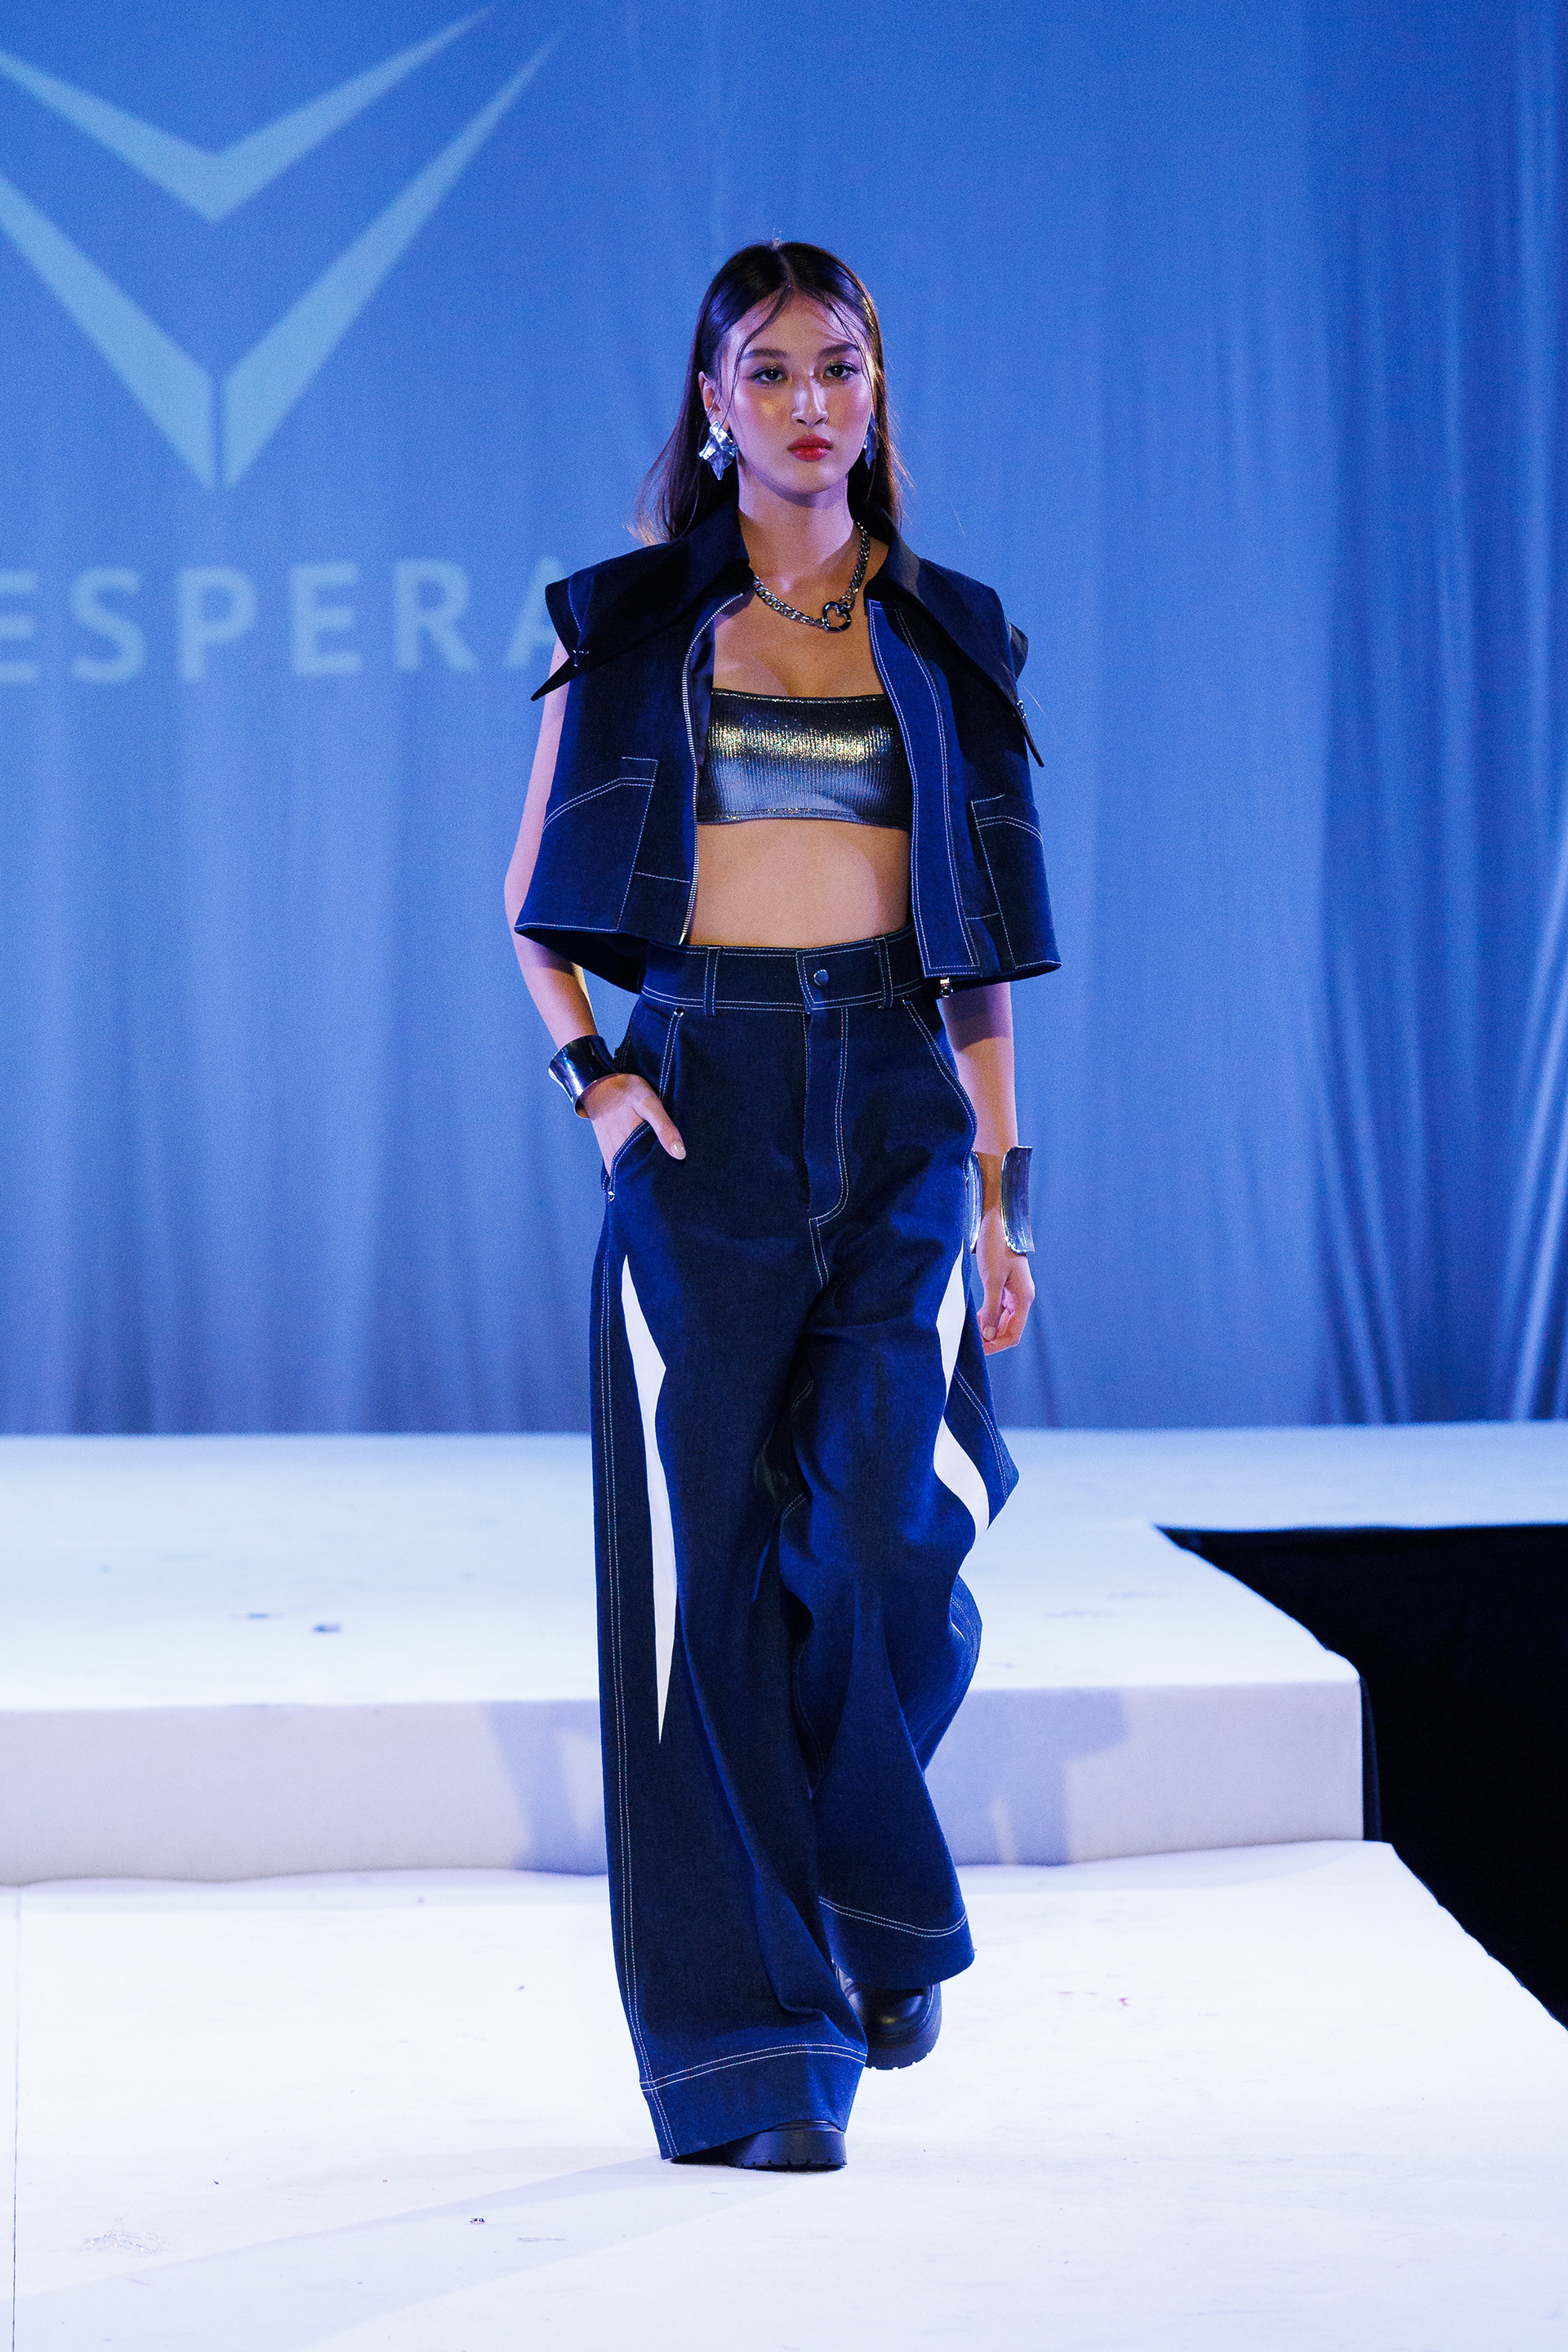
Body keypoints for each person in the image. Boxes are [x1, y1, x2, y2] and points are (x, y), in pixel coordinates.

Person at [503, 240, 1057, 2172]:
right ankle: (759, 2057)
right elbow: (533, 908)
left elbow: (980, 964)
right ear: (713, 403)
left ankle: (862, 1890)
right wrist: (599, 1080)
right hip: (704, 1113)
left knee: (889, 1539)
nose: (812, 401)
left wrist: (1001, 1199)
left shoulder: (951, 637)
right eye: (770, 368)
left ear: (876, 394)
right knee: (705, 1589)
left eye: (841, 366)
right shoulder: (634, 625)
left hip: (899, 1110)